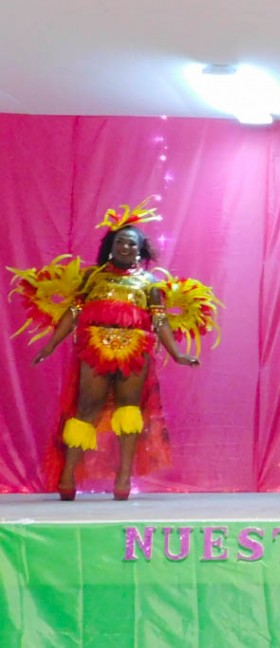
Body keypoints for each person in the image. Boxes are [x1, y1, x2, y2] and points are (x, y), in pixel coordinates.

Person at [10, 200, 219, 501]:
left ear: (140, 250)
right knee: (87, 408)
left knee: (129, 411)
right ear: (111, 246)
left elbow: (159, 320)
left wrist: (177, 354)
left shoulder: (150, 283)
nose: (126, 247)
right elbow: (74, 312)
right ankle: (67, 475)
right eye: (120, 242)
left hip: (134, 350)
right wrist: (51, 344)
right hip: (95, 348)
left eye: (132, 244)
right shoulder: (93, 278)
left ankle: (123, 478)